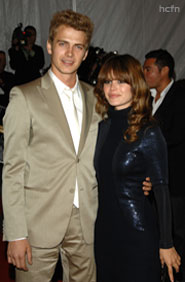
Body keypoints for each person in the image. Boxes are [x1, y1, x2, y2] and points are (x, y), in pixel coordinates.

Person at [2, 10, 151, 282]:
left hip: (87, 222)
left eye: (78, 46)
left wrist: (141, 176)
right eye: (63, 43)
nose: (69, 53)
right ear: (49, 46)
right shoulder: (24, 97)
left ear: (85, 53)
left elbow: (118, 146)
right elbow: (12, 170)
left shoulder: (97, 98)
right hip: (37, 224)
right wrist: (16, 233)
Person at [94, 54, 181, 282]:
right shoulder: (103, 127)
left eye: (121, 81)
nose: (113, 88)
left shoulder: (149, 130)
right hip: (104, 233)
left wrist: (166, 243)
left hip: (138, 234)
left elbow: (161, 189)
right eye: (108, 81)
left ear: (135, 85)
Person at [143, 49, 185, 282]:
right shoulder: (147, 98)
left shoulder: (180, 95)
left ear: (165, 70)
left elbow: (175, 135)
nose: (145, 73)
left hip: (175, 181)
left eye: (149, 69)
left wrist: (146, 147)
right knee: (156, 231)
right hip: (151, 183)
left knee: (177, 234)